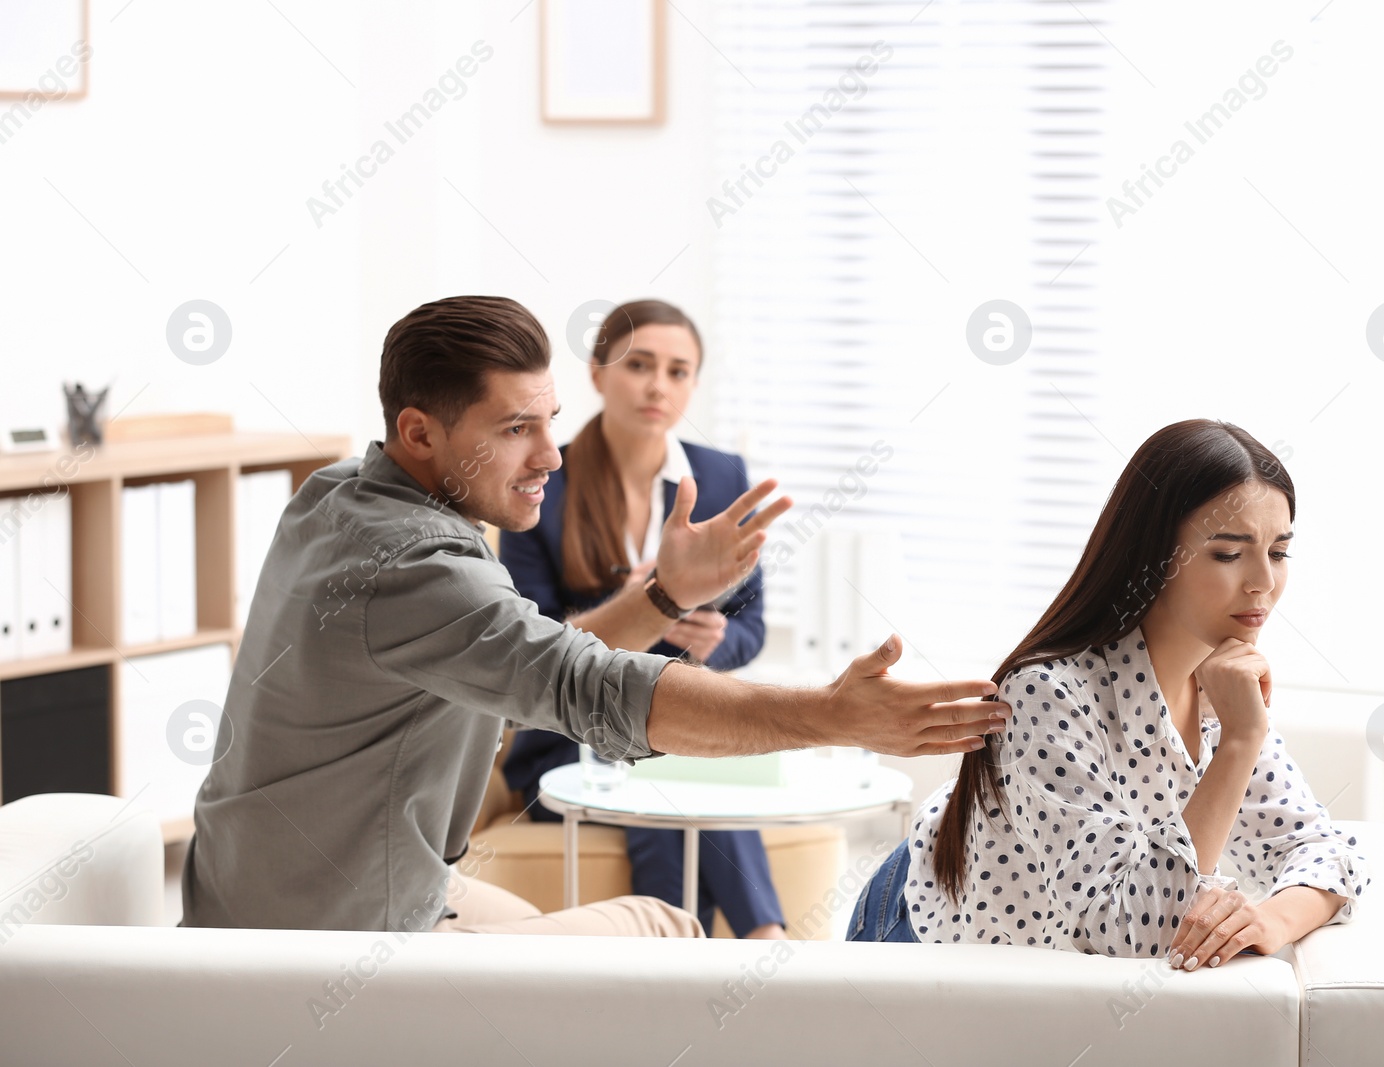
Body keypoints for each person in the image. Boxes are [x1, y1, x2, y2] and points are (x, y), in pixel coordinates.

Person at [181, 294, 1006, 938]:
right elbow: (592, 686)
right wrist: (831, 714)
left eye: (547, 421)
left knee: (556, 944)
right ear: (419, 432)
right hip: (325, 933)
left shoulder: (336, 494)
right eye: (515, 429)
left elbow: (533, 659)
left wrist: (662, 596)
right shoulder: (418, 566)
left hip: (284, 887)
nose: (548, 455)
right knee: (665, 924)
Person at [847, 419, 1370, 971]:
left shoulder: (1221, 683)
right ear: (1153, 555)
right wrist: (1242, 741)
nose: (1263, 581)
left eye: (1280, 551)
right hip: (921, 924)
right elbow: (1129, 934)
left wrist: (1269, 920)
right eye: (1226, 554)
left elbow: (1331, 853)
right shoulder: (1048, 693)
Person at [498, 299, 786, 939]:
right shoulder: (543, 478)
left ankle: (686, 958)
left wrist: (716, 640)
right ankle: (764, 939)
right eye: (639, 365)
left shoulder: (718, 476)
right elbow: (526, 640)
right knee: (675, 768)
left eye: (679, 371)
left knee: (675, 770)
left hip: (675, 729)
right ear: (598, 374)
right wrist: (638, 610)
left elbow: (751, 623)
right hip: (568, 739)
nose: (659, 385)